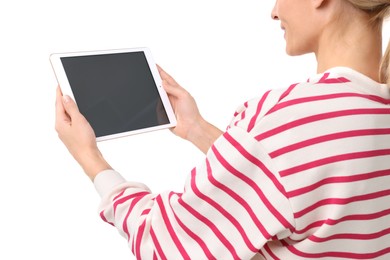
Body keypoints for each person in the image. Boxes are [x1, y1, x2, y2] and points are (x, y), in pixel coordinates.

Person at [55, 0, 390, 259]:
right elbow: (292, 180)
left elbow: (163, 242)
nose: (274, 12)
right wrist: (198, 129)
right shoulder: (371, 110)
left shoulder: (286, 119)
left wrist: (89, 156)